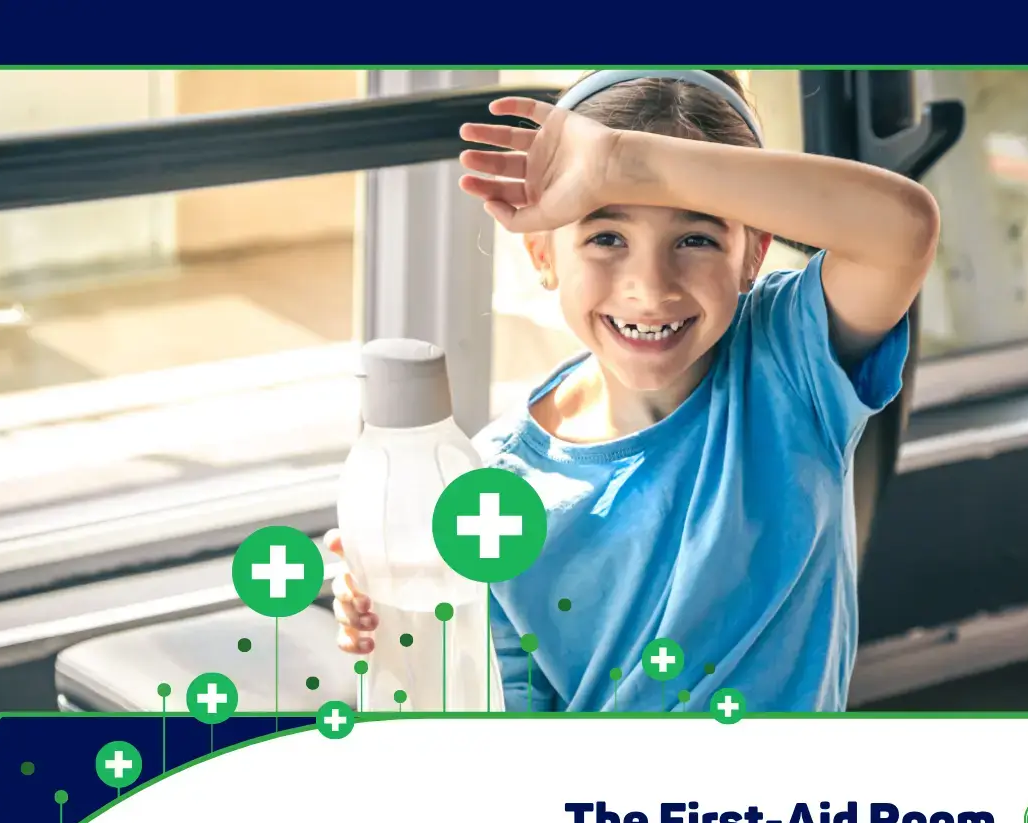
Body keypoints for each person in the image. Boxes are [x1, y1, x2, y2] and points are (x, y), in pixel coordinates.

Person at [324, 70, 940, 712]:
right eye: (607, 237)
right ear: (542, 254)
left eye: (697, 238)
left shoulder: (788, 361)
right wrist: (415, 629)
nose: (650, 287)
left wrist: (623, 162)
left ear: (753, 254)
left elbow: (902, 230)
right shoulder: (490, 484)